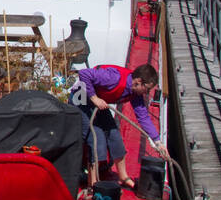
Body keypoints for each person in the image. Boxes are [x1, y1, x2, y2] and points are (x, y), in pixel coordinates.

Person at [72, 62, 170, 190]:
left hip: (99, 103)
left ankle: (123, 177)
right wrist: (94, 98)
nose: (147, 93)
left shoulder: (135, 94)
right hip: (82, 100)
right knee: (96, 138)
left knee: (115, 137)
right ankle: (94, 184)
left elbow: (143, 117)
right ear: (138, 82)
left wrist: (157, 142)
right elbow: (84, 74)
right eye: (147, 89)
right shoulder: (113, 78)